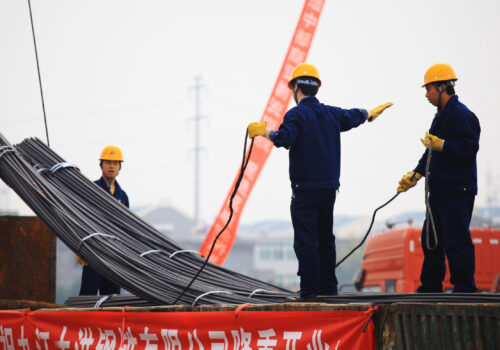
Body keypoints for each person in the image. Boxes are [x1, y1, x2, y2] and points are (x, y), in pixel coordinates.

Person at [248, 63, 392, 300]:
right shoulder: (330, 113)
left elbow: (284, 138)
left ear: (295, 87)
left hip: (305, 190)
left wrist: (266, 132)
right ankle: (328, 288)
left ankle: (310, 290)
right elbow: (351, 116)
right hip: (329, 190)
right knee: (326, 239)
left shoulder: (296, 114)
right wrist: (368, 113)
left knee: (306, 240)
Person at [397, 63, 480, 293]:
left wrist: (443, 145)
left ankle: (464, 288)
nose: (426, 94)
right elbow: (431, 151)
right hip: (440, 191)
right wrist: (416, 173)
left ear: (443, 87)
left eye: (429, 89)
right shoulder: (441, 117)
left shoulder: (462, 115)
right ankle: (431, 286)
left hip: (456, 190)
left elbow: (469, 148)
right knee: (431, 241)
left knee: (456, 241)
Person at [76, 145, 129, 295]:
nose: (111, 166)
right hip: (94, 252)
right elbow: (81, 218)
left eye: (115, 163)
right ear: (101, 165)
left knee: (111, 298)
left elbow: (126, 228)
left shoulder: (122, 196)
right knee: (88, 295)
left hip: (113, 255)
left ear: (119, 167)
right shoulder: (91, 189)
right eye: (107, 162)